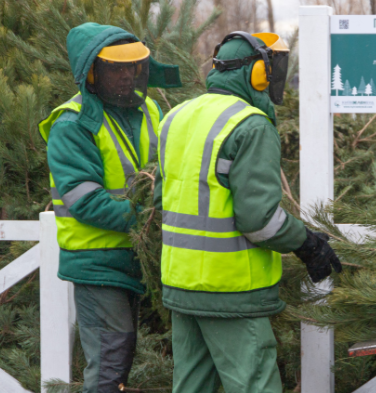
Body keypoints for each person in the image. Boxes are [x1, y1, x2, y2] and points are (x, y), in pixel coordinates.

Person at [154, 31, 342, 393]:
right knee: (256, 385)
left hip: (180, 283)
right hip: (231, 289)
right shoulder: (250, 125)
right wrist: (307, 244)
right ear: (257, 73)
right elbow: (259, 221)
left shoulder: (175, 117)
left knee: (191, 386)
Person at [39, 23, 181, 392]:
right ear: (91, 72)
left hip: (138, 258)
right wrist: (152, 222)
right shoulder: (71, 124)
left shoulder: (149, 108)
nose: (126, 75)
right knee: (109, 366)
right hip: (97, 262)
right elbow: (85, 201)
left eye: (131, 67)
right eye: (115, 68)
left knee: (120, 361)